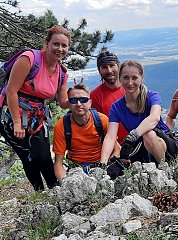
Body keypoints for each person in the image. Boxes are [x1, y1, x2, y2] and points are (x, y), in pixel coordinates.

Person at [0, 25, 71, 190]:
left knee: (44, 156)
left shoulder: (61, 72)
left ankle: (55, 190)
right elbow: (11, 91)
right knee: (27, 156)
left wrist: (77, 98)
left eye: (64, 45)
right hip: (11, 115)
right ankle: (39, 191)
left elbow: (63, 102)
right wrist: (17, 123)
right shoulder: (30, 59)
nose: (60, 49)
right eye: (56, 44)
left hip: (36, 118)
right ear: (47, 43)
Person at [100, 60, 178, 165]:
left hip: (165, 145)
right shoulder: (117, 107)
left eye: (134, 78)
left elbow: (154, 118)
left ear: (141, 78)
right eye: (125, 78)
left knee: (149, 134)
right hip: (139, 147)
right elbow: (110, 136)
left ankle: (163, 168)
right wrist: (103, 162)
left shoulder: (152, 96)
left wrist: (132, 136)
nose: (130, 83)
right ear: (120, 79)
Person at [53, 84, 110, 182]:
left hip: (101, 164)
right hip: (76, 169)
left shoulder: (102, 120)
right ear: (69, 104)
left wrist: (105, 167)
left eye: (83, 100)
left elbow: (116, 149)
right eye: (73, 100)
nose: (79, 104)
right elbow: (58, 162)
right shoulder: (61, 125)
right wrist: (65, 183)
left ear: (90, 103)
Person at [90, 51, 128, 144]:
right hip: (113, 146)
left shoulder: (131, 87)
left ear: (118, 66)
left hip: (139, 142)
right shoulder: (95, 96)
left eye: (112, 65)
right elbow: (97, 126)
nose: (109, 70)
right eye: (104, 67)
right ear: (99, 70)